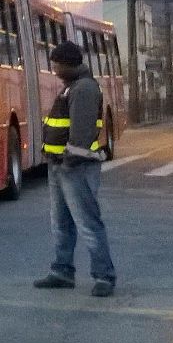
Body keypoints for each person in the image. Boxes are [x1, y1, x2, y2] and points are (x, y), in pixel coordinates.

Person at [34, 40, 117, 297]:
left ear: (69, 63)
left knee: (87, 223)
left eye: (57, 63)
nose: (54, 68)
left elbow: (81, 133)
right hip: (60, 166)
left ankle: (104, 276)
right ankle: (62, 271)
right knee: (61, 223)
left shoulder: (83, 89)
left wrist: (69, 160)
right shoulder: (72, 87)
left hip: (75, 167)